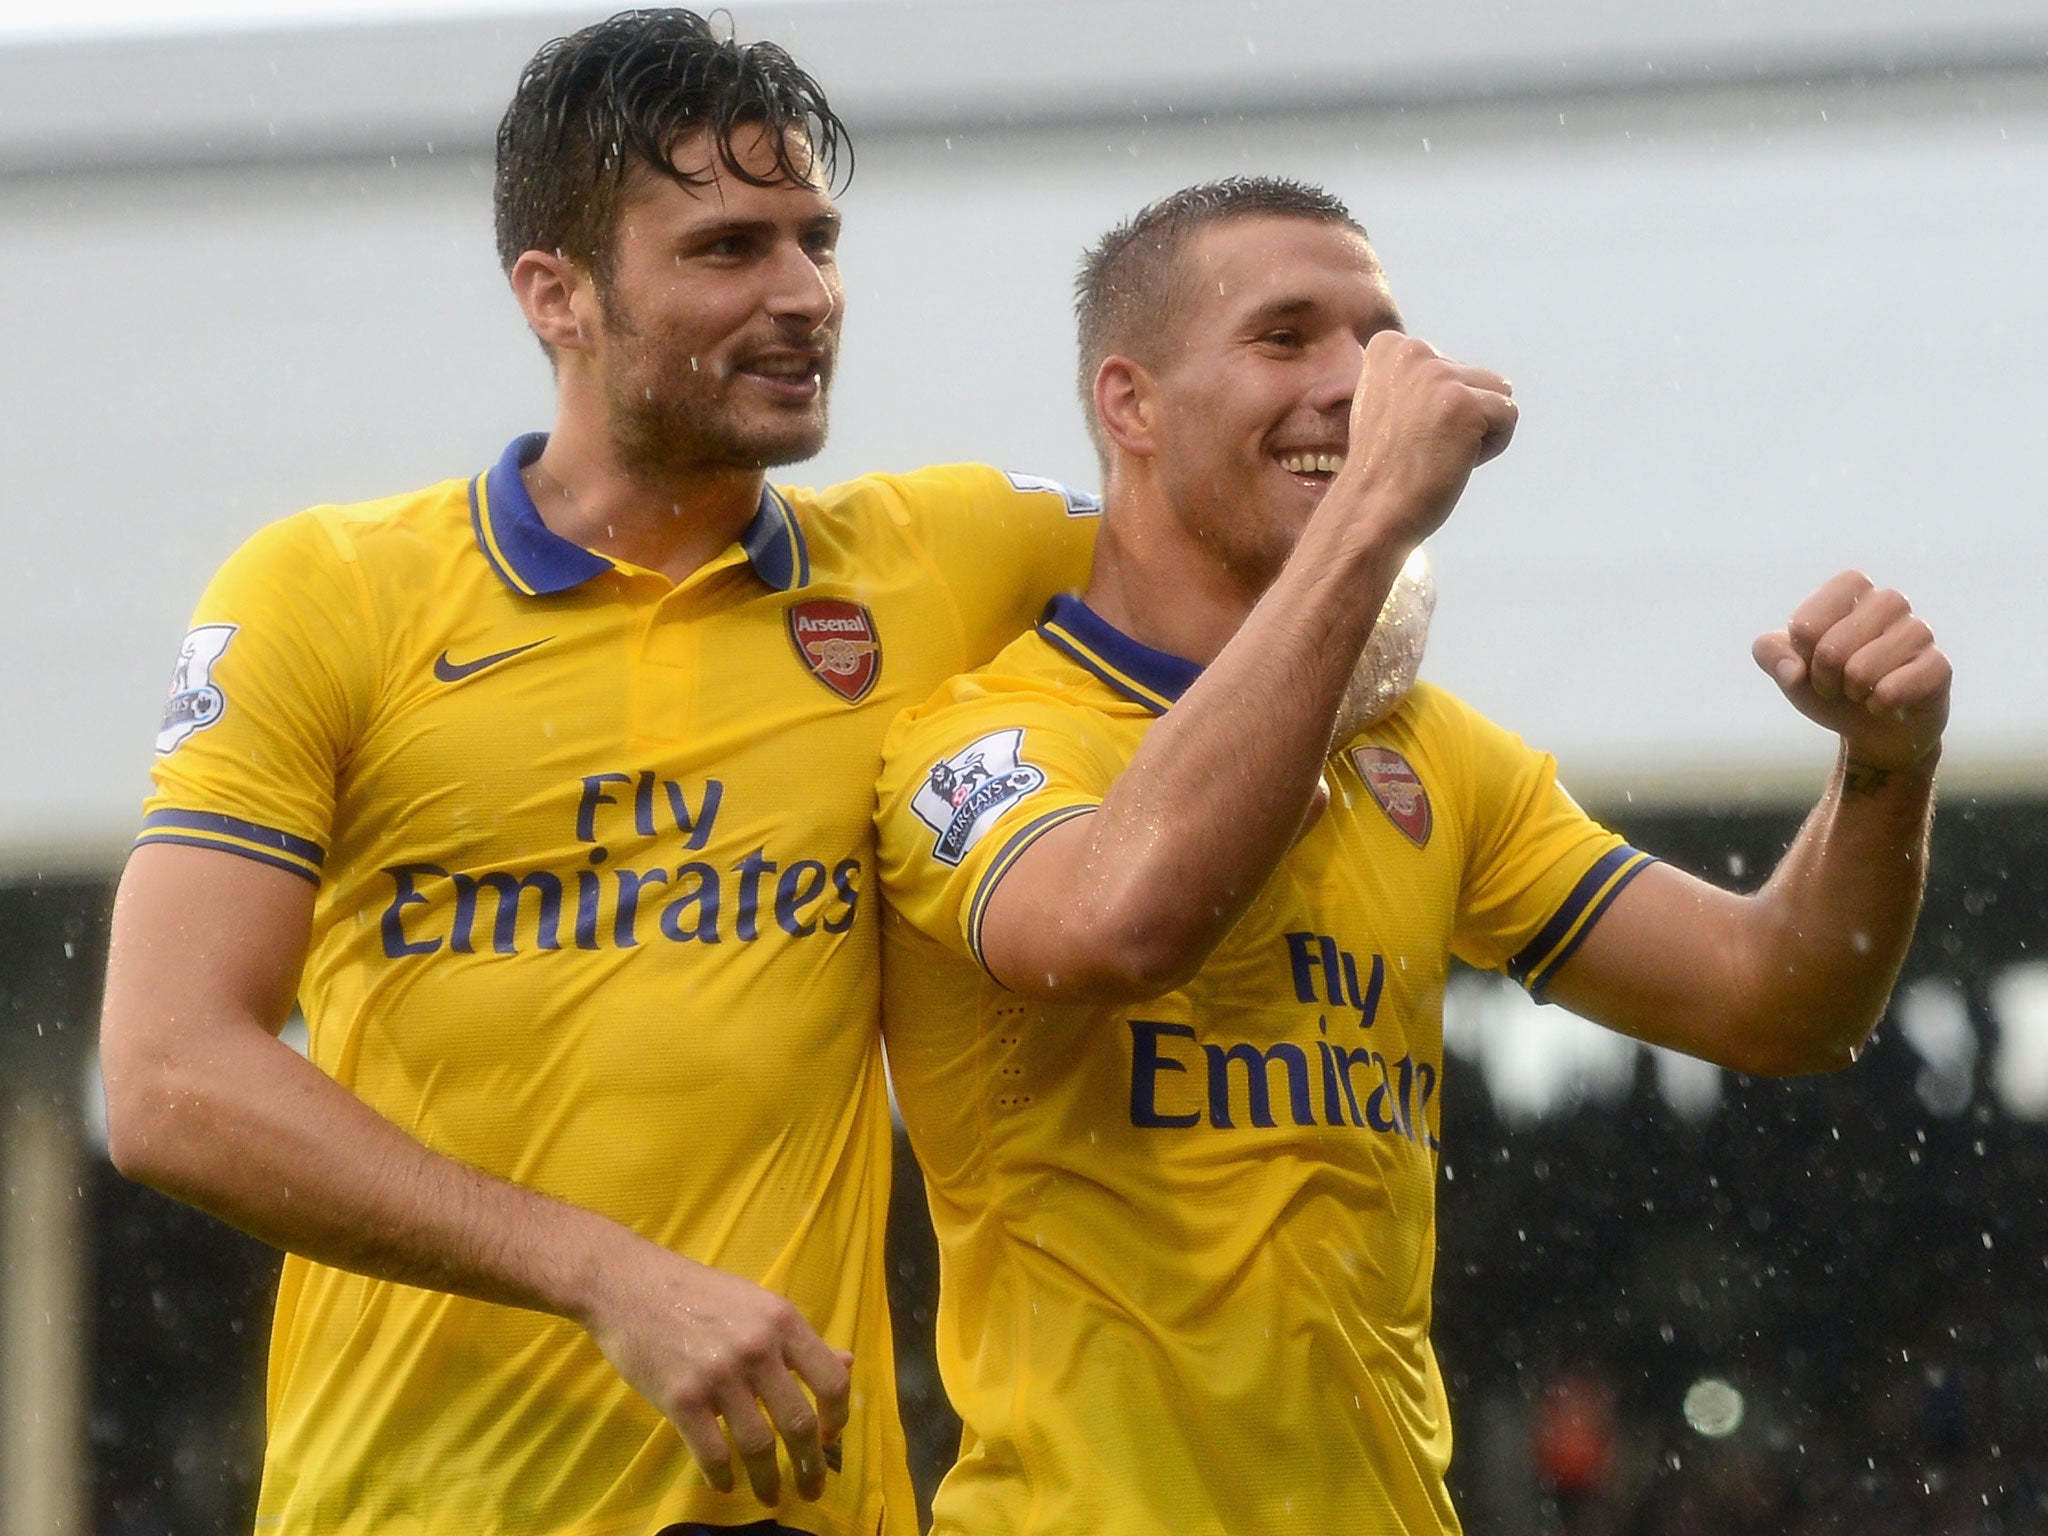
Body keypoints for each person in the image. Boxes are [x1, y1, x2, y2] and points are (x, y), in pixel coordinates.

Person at [96, 12, 1096, 1536]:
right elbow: (167, 1080)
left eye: (816, 239)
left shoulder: (942, 558)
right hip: (416, 1503)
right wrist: (606, 1275)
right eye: (726, 249)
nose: (804, 296)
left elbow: (1252, 569)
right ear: (554, 294)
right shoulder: (331, 590)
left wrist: (1365, 496)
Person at [873, 177, 1947, 1534]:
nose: (1357, 383)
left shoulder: (1426, 753)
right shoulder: (977, 742)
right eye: (1284, 337)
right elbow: (1116, 924)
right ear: (1129, 404)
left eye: (1377, 340)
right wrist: (1371, 514)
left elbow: (1781, 1001)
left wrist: (1887, 768)